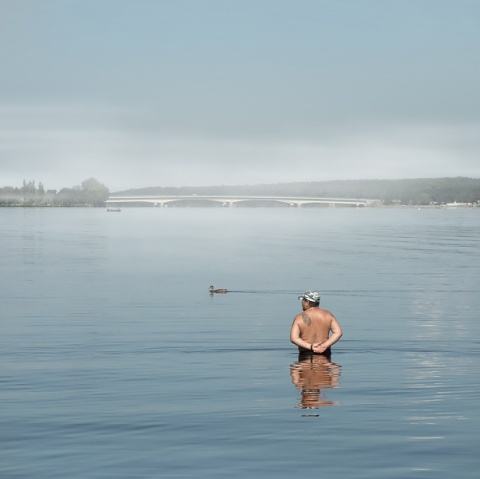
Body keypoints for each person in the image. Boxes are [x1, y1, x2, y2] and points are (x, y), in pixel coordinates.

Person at [290, 291, 343, 355]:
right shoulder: (328, 315)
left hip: (306, 352)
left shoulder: (299, 317)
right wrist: (324, 346)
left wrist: (311, 347)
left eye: (303, 301)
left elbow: (294, 338)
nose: (302, 303)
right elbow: (338, 333)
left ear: (307, 302)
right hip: (324, 352)